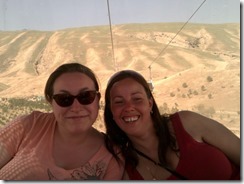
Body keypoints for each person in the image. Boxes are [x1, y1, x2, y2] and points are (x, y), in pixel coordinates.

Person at [103, 69, 240, 180]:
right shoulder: (125, 171)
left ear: (150, 104)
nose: (129, 107)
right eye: (119, 102)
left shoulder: (188, 123)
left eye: (137, 99)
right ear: (111, 111)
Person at [0, 62, 124, 180]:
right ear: (50, 101)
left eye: (86, 96)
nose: (76, 108)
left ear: (97, 99)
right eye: (64, 99)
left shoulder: (113, 157)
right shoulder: (29, 125)